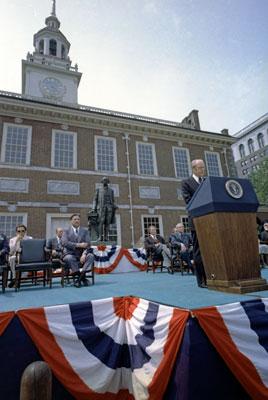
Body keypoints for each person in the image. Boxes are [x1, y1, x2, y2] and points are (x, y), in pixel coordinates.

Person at [181, 159, 207, 288]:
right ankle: (201, 279)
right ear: (194, 169)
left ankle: (212, 276)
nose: (203, 170)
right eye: (200, 168)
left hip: (210, 221)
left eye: (203, 167)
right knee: (199, 251)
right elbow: (188, 201)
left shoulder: (207, 182)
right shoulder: (186, 183)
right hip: (196, 221)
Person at [61, 214, 94, 287]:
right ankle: (83, 278)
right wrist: (78, 245)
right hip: (70, 254)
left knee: (91, 256)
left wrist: (84, 254)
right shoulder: (66, 231)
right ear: (71, 221)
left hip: (82, 254)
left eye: (78, 219)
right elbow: (64, 243)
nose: (77, 221)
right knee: (69, 258)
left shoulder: (85, 231)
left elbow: (88, 244)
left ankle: (79, 279)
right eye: (75, 219)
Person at [92, 177, 117, 242]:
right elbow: (95, 200)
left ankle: (106, 237)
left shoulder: (111, 190)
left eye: (106, 180)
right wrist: (93, 208)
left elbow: (113, 200)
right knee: (101, 222)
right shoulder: (98, 190)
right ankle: (100, 237)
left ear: (108, 182)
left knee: (107, 223)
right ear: (102, 182)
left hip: (109, 208)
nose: (105, 181)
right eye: (104, 180)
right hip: (101, 208)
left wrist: (114, 205)